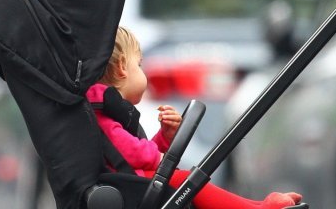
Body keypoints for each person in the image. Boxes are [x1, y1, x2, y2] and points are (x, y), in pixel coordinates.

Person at [86, 26, 302, 209]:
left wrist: (164, 138)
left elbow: (127, 155)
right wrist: (161, 159)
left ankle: (254, 206)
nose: (143, 71)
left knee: (185, 180)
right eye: (139, 65)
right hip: (129, 187)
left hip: (131, 181)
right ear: (123, 67)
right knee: (187, 181)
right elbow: (132, 155)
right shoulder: (101, 116)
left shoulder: (106, 112)